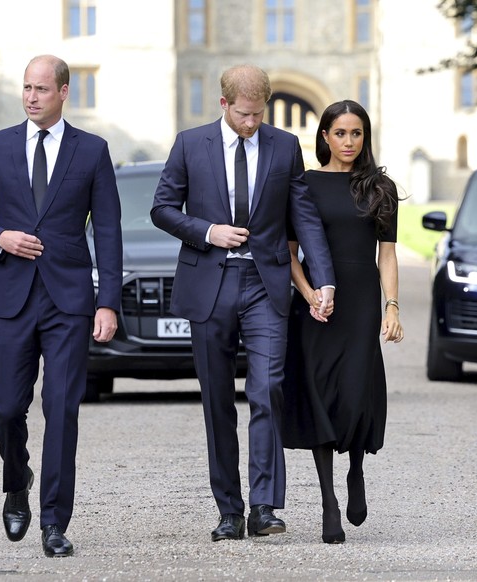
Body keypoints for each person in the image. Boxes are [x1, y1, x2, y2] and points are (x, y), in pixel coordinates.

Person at [151, 65, 335, 541]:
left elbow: (305, 217)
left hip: (265, 283)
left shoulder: (284, 146)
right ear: (224, 104)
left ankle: (265, 507)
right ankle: (228, 510)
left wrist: (323, 279)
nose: (252, 123)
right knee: (217, 400)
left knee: (268, 389)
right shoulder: (190, 144)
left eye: (258, 114)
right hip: (209, 282)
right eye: (244, 114)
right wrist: (208, 232)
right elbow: (163, 208)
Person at [0, 55, 122, 558]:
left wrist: (107, 303)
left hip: (69, 300)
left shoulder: (92, 151)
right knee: (6, 408)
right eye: (26, 88)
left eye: (41, 89)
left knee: (62, 408)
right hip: (10, 297)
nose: (31, 96)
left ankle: (54, 521)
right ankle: (16, 477)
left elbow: (109, 232)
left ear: (64, 92)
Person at [281, 99, 403, 544]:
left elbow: (387, 255)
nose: (349, 141)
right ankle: (328, 501)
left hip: (361, 302)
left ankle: (356, 468)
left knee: (353, 392)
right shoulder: (305, 185)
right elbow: (290, 252)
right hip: (317, 303)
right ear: (325, 137)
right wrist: (309, 292)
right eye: (340, 133)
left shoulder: (380, 188)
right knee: (320, 394)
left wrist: (392, 306)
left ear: (364, 137)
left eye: (356, 133)